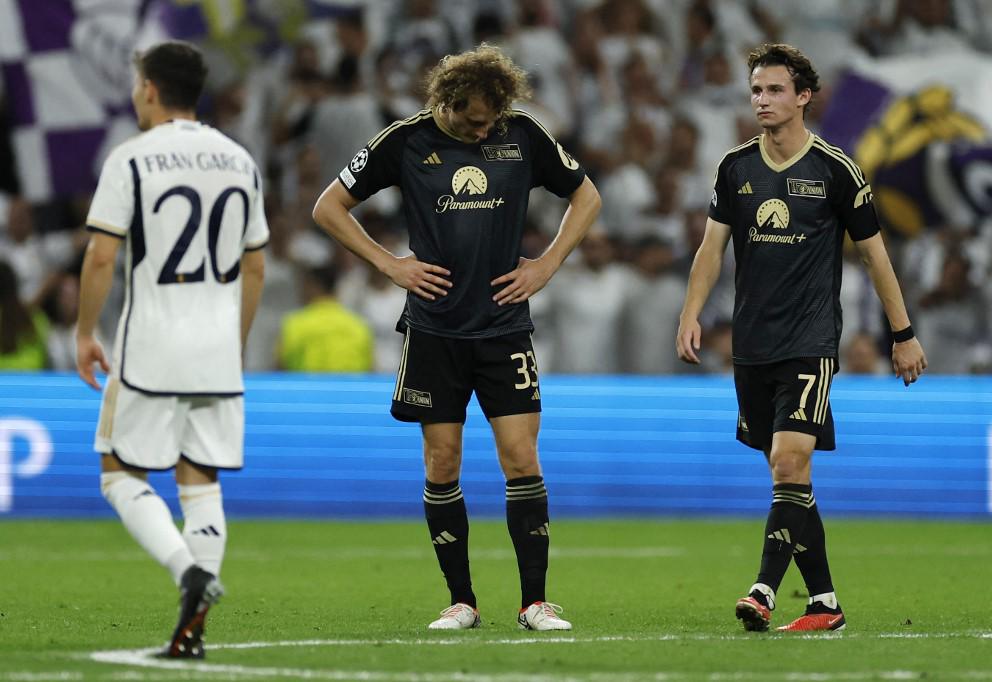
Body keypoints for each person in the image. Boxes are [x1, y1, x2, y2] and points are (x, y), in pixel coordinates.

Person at [312, 44, 601, 631]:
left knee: (521, 457)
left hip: (503, 326)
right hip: (434, 329)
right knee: (442, 462)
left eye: (491, 116)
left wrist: (545, 264)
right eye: (472, 117)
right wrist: (390, 263)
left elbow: (586, 195)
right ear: (444, 101)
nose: (483, 126)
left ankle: (534, 602)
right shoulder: (405, 140)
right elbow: (329, 207)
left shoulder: (522, 134)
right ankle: (462, 601)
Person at [675, 43, 927, 633]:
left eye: (774, 90)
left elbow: (875, 256)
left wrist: (903, 333)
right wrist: (690, 313)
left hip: (811, 342)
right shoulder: (735, 168)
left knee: (790, 464)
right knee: (790, 479)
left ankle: (762, 590)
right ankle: (825, 605)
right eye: (756, 90)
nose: (761, 100)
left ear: (803, 96)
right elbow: (710, 250)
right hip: (751, 345)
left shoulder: (836, 169)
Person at [75, 41, 267, 658]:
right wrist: (233, 344)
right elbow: (255, 267)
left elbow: (103, 254)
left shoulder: (131, 159)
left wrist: (84, 333)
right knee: (200, 478)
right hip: (216, 346)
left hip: (153, 341)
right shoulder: (241, 161)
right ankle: (192, 635)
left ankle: (190, 573)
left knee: (118, 472)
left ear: (151, 89)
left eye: (137, 86)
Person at [277, 265, 374, 372]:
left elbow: (280, 368)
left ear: (312, 286)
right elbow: (370, 369)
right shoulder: (358, 325)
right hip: (350, 388)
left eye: (303, 286)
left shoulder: (294, 324)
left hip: (306, 388)